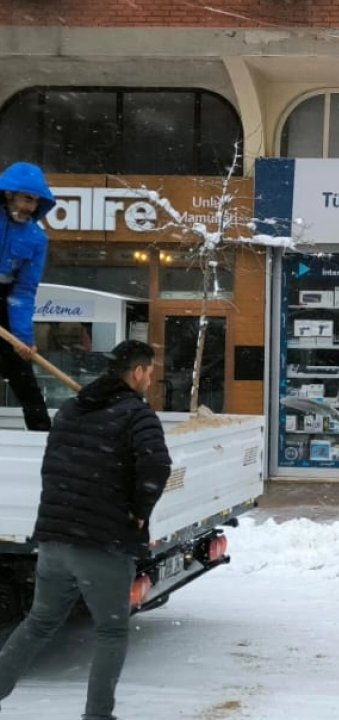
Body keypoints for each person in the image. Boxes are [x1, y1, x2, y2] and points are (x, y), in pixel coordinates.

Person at [0, 340, 170, 720]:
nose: (150, 379)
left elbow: (52, 467)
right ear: (139, 372)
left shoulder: (72, 409)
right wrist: (140, 512)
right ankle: (98, 715)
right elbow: (157, 467)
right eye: (150, 371)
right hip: (101, 543)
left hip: (54, 539)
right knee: (111, 631)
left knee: (39, 623)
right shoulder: (136, 415)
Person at [0, 162, 55, 430]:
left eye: (35, 201)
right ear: (9, 193)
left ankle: (44, 438)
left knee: (23, 375)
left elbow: (23, 292)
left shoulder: (36, 238)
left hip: (5, 301)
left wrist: (23, 338)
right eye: (26, 198)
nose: (29, 207)